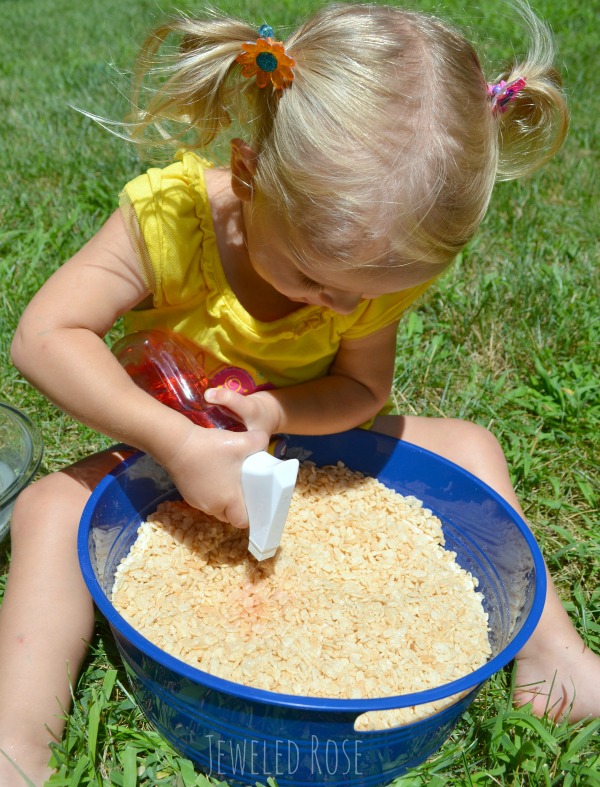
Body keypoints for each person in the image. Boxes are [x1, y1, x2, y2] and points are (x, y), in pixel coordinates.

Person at [1, 2, 599, 783]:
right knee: (49, 507)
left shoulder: (366, 265)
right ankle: (17, 741)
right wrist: (179, 443)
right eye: (314, 279)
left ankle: (555, 655)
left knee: (472, 445)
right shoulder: (172, 222)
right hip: (164, 449)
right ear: (249, 178)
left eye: (367, 295)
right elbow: (43, 336)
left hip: (311, 443)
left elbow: (360, 387)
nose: (343, 307)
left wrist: (281, 411)